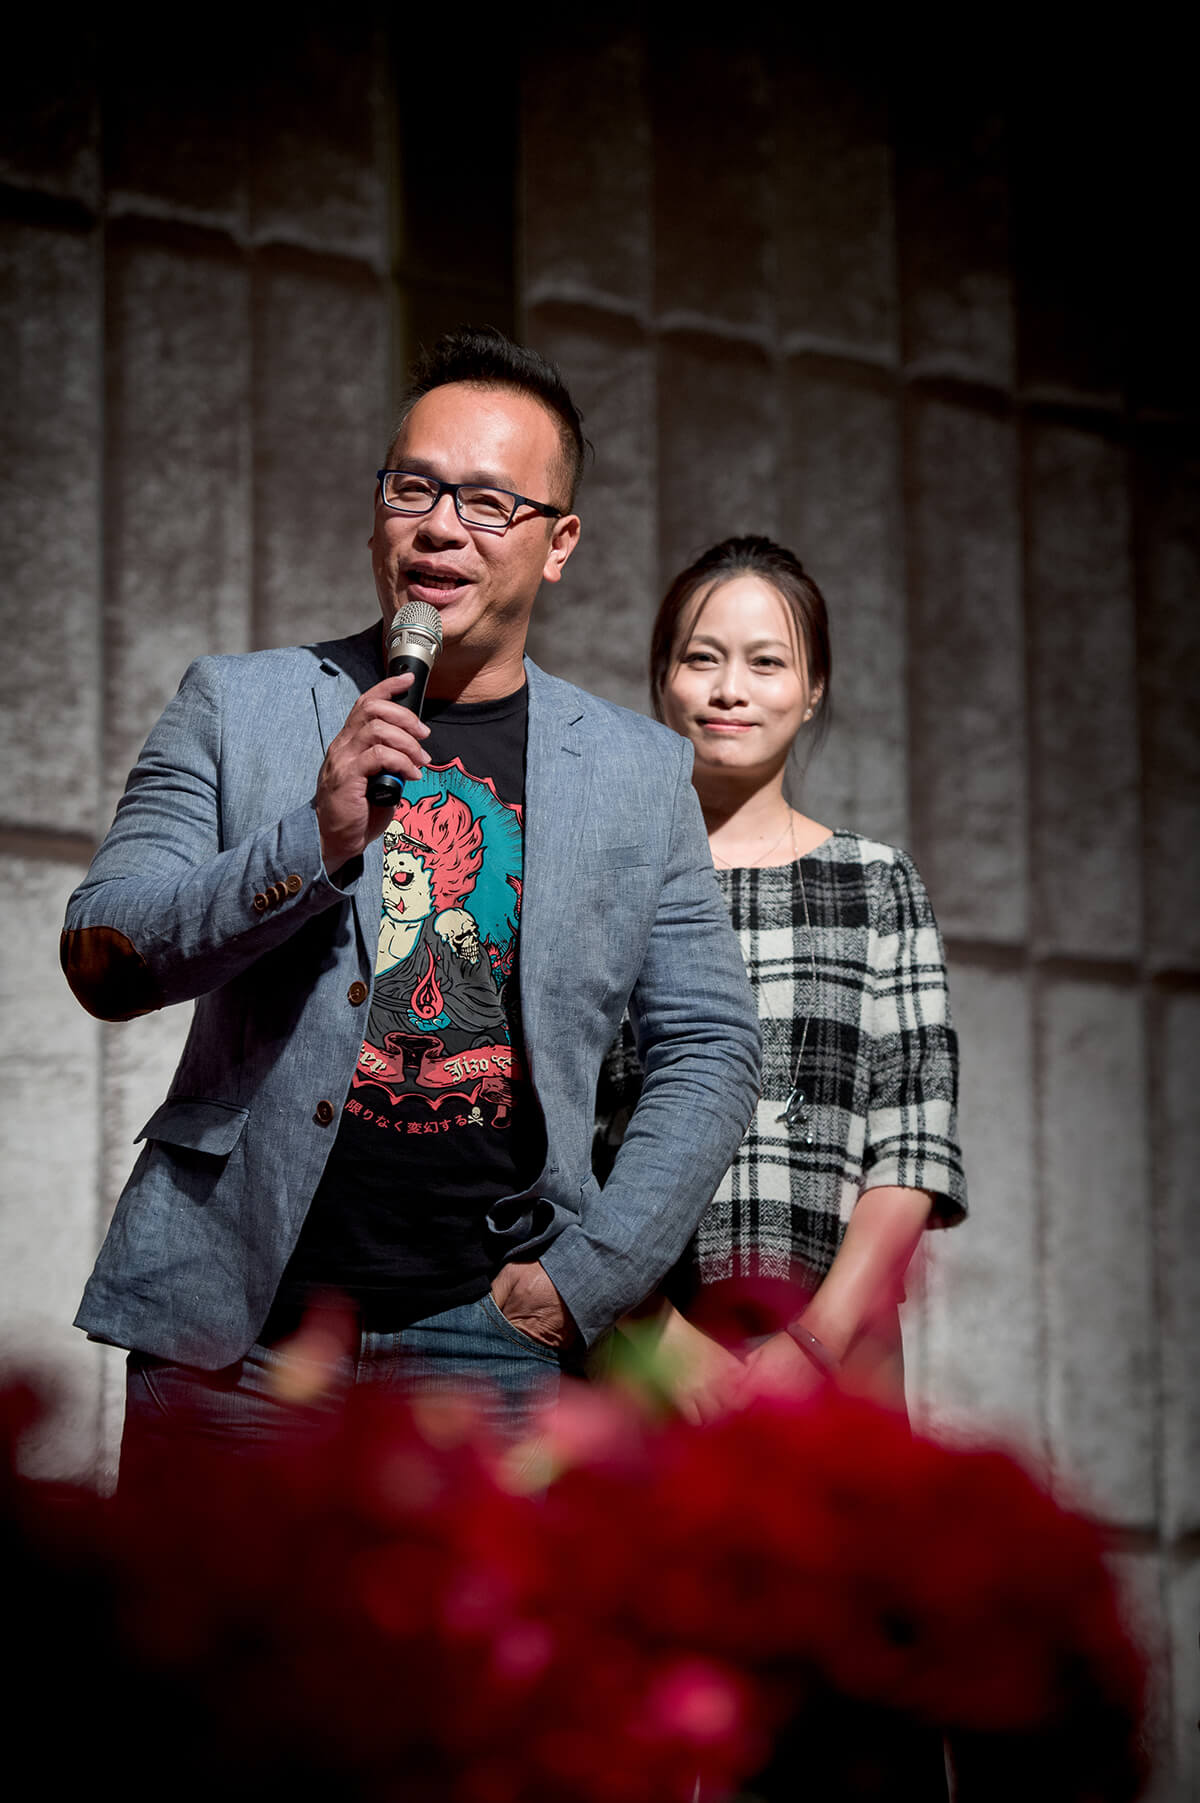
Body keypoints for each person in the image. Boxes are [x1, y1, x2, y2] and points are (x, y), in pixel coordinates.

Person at [60, 329, 760, 1462]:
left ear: (559, 543)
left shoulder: (636, 771)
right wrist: (316, 837)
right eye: (414, 488)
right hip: (235, 1338)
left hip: (491, 1338)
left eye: (488, 503)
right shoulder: (238, 706)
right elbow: (103, 952)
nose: (439, 526)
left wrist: (588, 1277)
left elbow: (712, 1043)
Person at [596, 536, 966, 1421]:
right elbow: (563, 1136)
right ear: (663, 679)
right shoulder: (606, 883)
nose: (731, 689)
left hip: (836, 1362)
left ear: (814, 687)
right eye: (702, 658)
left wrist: (813, 1343)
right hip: (634, 1351)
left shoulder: (878, 882)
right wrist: (656, 1334)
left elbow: (913, 1146)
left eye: (766, 662)